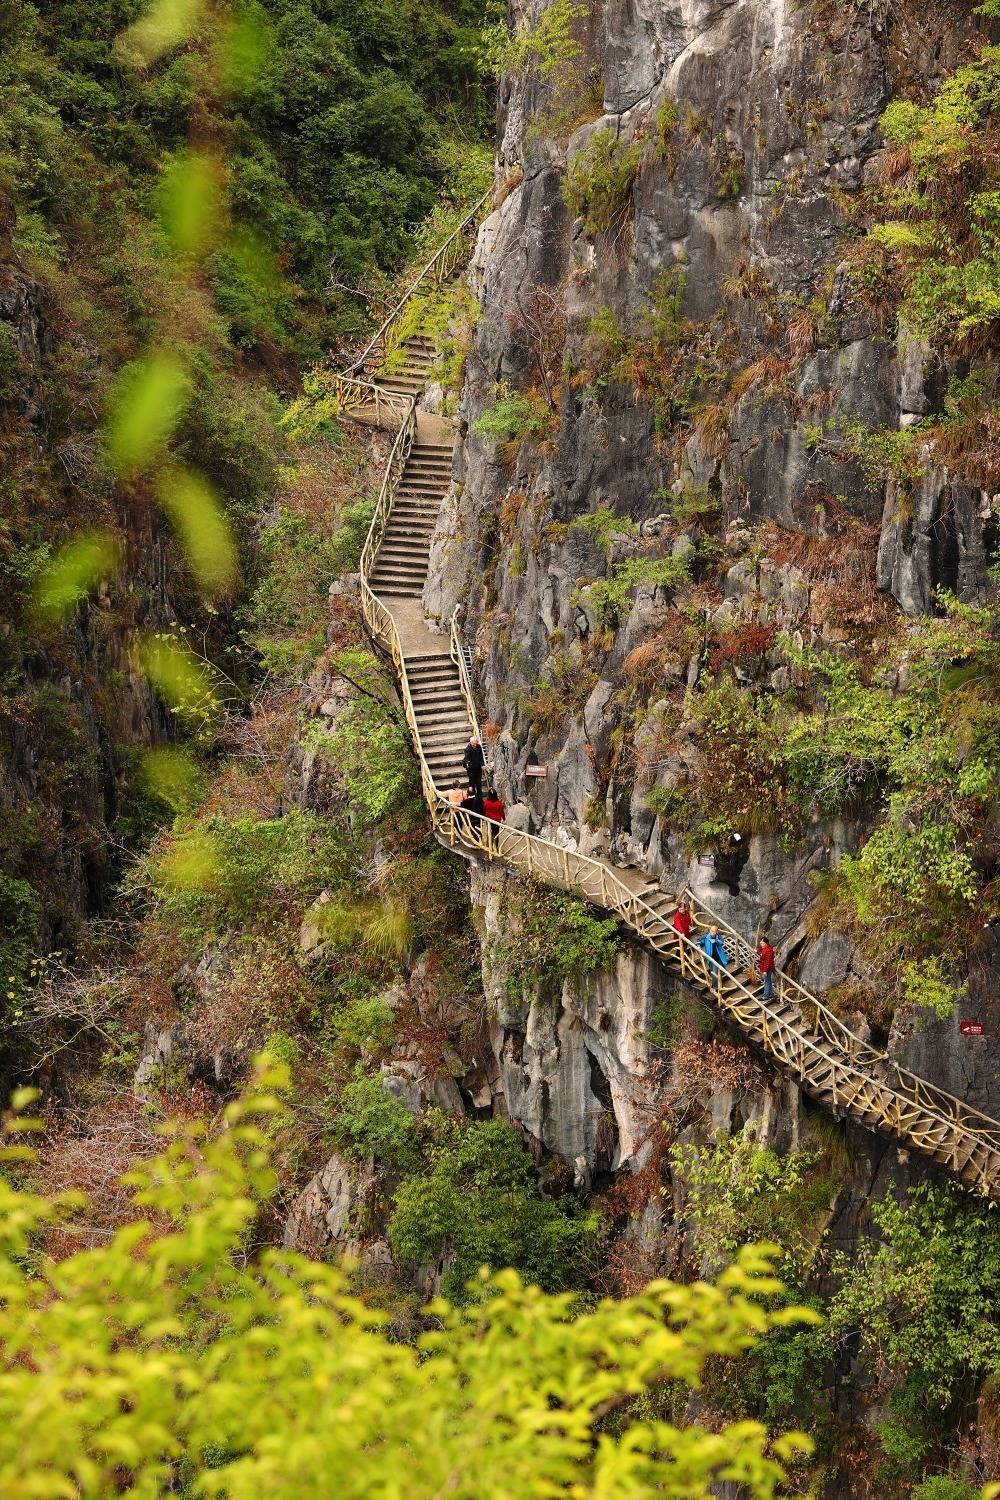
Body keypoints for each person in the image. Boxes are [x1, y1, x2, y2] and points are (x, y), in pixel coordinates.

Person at [756, 935, 776, 1000]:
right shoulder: (765, 948)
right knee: (768, 981)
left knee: (766, 981)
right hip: (766, 967)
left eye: (763, 943)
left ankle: (765, 996)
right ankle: (771, 994)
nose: (761, 944)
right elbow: (761, 952)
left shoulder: (769, 950)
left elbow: (768, 961)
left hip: (768, 968)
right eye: (761, 943)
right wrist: (757, 951)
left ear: (766, 943)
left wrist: (765, 971)